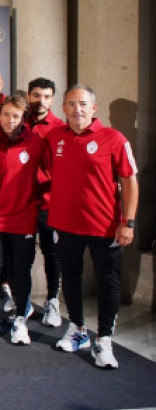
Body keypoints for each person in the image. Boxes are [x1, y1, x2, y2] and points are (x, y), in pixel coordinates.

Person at [45, 85, 138, 368]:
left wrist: (128, 222)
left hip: (105, 227)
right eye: (71, 104)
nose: (77, 110)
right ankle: (77, 330)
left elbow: (130, 181)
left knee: (108, 281)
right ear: (63, 108)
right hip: (65, 224)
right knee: (70, 277)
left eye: (83, 104)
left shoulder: (114, 139)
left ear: (94, 108)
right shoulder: (54, 137)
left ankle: (105, 340)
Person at [0, 94, 45, 345]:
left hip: (24, 219)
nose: (10, 120)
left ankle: (20, 319)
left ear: (24, 117)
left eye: (16, 115)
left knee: (21, 270)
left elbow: (51, 175)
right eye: (6, 114)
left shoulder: (36, 143)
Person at [26, 77, 64, 327]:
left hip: (50, 203)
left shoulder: (60, 128)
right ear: (29, 96)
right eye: (36, 95)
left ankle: (52, 301)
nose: (41, 101)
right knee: (22, 255)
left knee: (52, 255)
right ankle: (23, 299)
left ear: (52, 99)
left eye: (46, 96)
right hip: (22, 203)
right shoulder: (17, 122)